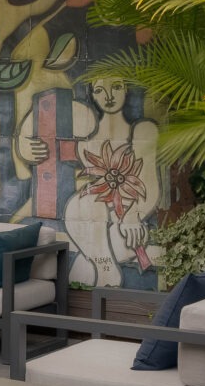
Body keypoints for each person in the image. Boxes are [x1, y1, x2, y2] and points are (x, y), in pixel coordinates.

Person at [13, 74, 162, 286]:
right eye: (100, 90)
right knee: (84, 204)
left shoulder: (142, 129)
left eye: (117, 87)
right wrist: (22, 144)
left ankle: (105, 276)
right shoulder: (85, 141)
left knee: (83, 260)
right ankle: (106, 275)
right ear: (92, 94)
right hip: (94, 224)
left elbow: (150, 185)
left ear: (126, 89)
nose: (109, 96)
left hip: (130, 220)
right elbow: (44, 140)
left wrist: (133, 216)